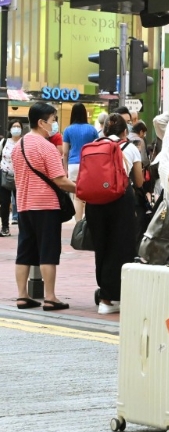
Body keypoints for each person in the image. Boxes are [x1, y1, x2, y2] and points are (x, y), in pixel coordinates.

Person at [12, 102, 76, 311]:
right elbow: (60, 180)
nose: (55, 124)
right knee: (48, 251)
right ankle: (50, 297)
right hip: (46, 205)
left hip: (23, 205)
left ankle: (22, 296)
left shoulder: (17, 146)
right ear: (41, 122)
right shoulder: (46, 147)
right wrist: (82, 190)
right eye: (53, 120)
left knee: (24, 251)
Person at [86, 114, 143, 315]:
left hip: (94, 202)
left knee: (101, 247)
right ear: (125, 131)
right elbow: (139, 181)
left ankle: (104, 295)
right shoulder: (131, 148)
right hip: (119, 200)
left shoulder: (93, 145)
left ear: (104, 130)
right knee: (120, 248)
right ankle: (111, 298)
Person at [62, 104, 98, 222]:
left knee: (77, 196)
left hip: (73, 164)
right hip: (89, 165)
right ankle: (88, 222)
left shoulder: (68, 130)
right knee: (89, 195)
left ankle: (78, 225)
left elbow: (65, 152)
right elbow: (97, 148)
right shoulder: (92, 129)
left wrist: (65, 169)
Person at [1, 120, 23, 236]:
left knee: (21, 203)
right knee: (5, 203)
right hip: (5, 174)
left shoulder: (24, 142)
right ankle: (5, 227)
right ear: (10, 129)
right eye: (14, 126)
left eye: (18, 126)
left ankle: (24, 227)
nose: (16, 128)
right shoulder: (4, 142)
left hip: (20, 177)